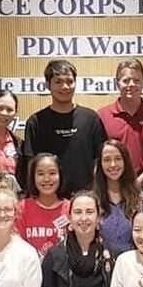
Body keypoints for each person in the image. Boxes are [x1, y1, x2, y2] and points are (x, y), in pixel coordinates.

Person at [20, 59, 106, 195]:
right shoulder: (35, 122)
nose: (65, 87)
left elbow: (99, 160)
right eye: (58, 82)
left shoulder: (90, 118)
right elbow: (32, 165)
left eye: (70, 81)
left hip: (86, 199)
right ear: (48, 85)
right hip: (49, 199)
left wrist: (96, 192)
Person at [97, 58, 143, 175]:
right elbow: (99, 156)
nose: (131, 85)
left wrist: (139, 182)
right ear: (117, 84)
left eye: (136, 80)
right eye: (126, 80)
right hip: (114, 185)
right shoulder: (102, 116)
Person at [95, 139, 143, 257]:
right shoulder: (93, 201)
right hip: (102, 266)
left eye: (118, 159)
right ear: (100, 164)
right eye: (107, 160)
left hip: (135, 264)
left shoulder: (142, 200)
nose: (113, 164)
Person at [15, 153, 71, 258]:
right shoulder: (23, 207)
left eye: (52, 173)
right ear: (33, 177)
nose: (46, 179)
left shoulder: (71, 208)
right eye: (40, 174)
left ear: (60, 175)